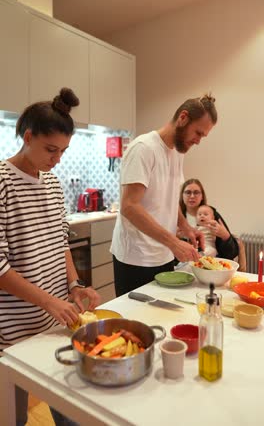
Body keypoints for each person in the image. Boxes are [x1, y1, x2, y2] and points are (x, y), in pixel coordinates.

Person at [0, 88, 101, 426]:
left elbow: (60, 243)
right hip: (14, 329)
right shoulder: (2, 182)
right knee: (16, 412)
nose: (57, 159)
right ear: (27, 137)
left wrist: (74, 285)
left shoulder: (54, 185)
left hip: (55, 320)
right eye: (50, 149)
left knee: (67, 404)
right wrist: (49, 302)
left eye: (63, 151)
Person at [111, 94, 218, 296]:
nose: (198, 141)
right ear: (183, 118)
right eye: (198, 133)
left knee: (161, 320)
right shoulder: (143, 149)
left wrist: (185, 227)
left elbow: (167, 198)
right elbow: (129, 206)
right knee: (138, 324)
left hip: (164, 255)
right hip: (137, 258)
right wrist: (173, 242)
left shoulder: (178, 151)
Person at [179, 178, 239, 259]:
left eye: (196, 192)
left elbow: (232, 253)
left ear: (202, 196)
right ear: (182, 196)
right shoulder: (176, 217)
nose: (192, 196)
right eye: (188, 192)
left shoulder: (212, 214)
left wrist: (225, 236)